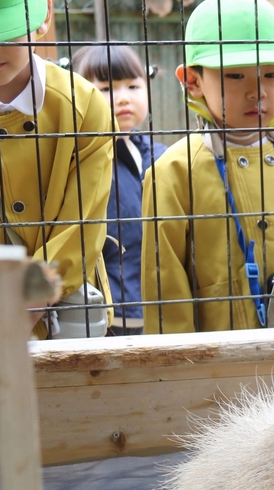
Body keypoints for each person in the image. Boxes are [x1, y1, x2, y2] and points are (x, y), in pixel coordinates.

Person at [142, 0, 274, 334]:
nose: (257, 92)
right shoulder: (172, 173)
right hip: (217, 370)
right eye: (235, 75)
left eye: (270, 75)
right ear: (192, 80)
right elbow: (166, 293)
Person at [0, 0, 113, 341]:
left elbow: (82, 224)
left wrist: (26, 302)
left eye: (5, 33)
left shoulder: (83, 105)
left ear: (45, 17)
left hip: (67, 316)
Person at [73, 44, 162, 336]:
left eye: (133, 86)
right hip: (107, 315)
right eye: (106, 89)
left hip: (160, 308)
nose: (123, 98)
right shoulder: (82, 158)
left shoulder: (161, 155)